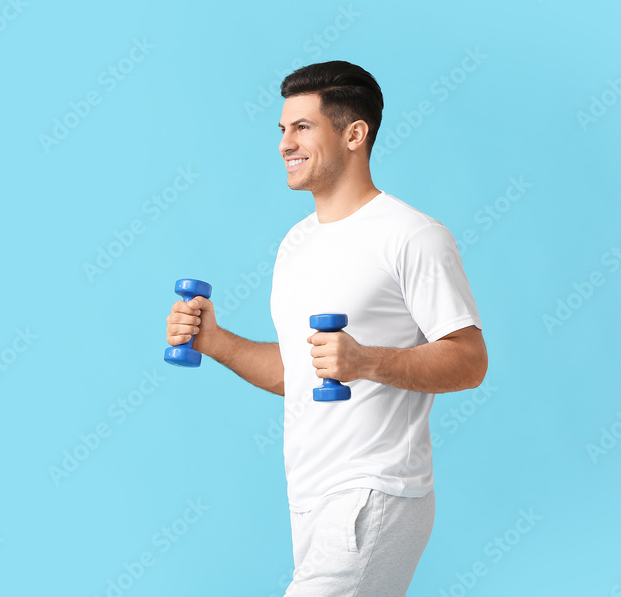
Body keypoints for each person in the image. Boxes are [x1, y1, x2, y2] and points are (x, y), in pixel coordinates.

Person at [166, 60, 487, 596]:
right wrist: (215, 342)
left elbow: (470, 359)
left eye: (302, 127)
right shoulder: (296, 244)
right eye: (282, 129)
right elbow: (300, 369)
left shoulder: (412, 236)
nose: (284, 143)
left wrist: (366, 361)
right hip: (309, 494)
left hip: (375, 488)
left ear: (355, 134)